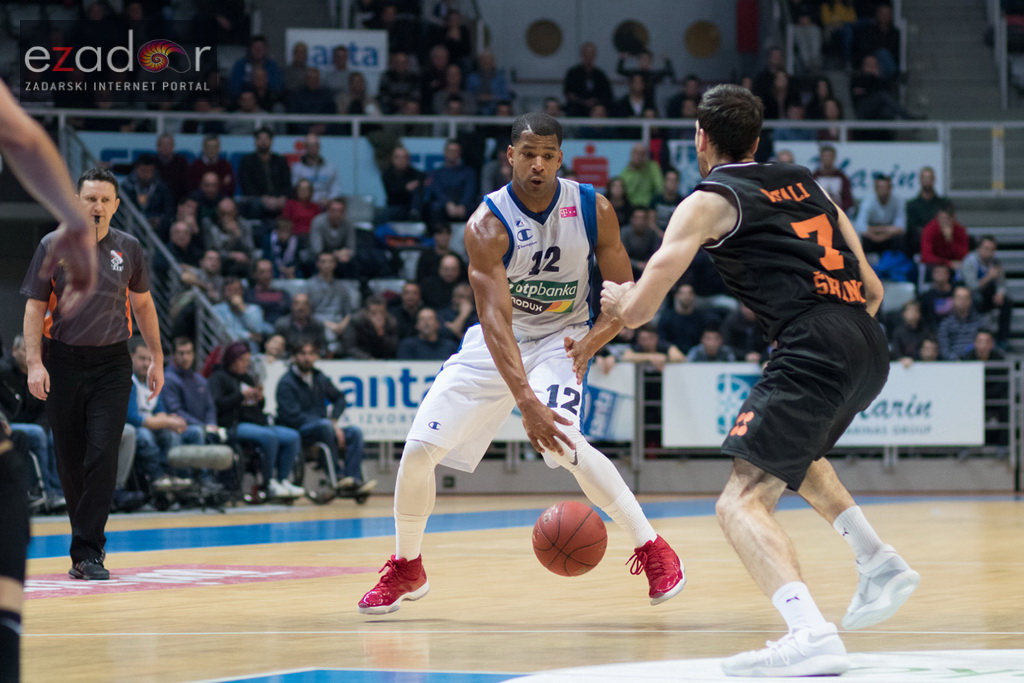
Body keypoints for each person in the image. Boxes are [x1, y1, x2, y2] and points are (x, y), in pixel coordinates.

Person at [600, 85, 919, 677]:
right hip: (867, 340)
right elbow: (874, 291)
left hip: (813, 341)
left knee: (739, 502)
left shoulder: (708, 199)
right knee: (797, 459)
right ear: (757, 138)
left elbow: (641, 312)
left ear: (700, 136)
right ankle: (877, 559)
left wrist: (619, 300)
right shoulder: (807, 182)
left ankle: (809, 633)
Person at [357, 112, 684, 616]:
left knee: (565, 445)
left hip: (563, 337)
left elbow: (625, 297)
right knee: (419, 450)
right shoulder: (487, 225)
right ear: (510, 155)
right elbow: (494, 323)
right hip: (501, 340)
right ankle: (407, 566)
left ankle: (651, 547)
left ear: (560, 158)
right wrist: (524, 399)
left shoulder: (593, 209)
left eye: (547, 155)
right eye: (528, 154)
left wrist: (592, 343)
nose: (537, 164)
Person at [23, 166, 164, 582]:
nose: (97, 206)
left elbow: (143, 306)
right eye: (90, 199)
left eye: (105, 200)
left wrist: (156, 356)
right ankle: (83, 546)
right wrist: (35, 362)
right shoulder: (53, 245)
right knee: (71, 460)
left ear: (116, 206)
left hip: (112, 364)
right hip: (63, 360)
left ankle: (88, 552)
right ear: (76, 202)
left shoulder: (130, 249)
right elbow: (33, 308)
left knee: (103, 452)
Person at [275, 341, 375, 496]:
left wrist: (334, 420)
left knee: (355, 432)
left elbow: (340, 398)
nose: (307, 358)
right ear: (294, 357)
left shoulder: (319, 377)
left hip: (325, 427)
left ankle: (353, 478)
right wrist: (327, 424)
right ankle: (337, 475)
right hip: (300, 430)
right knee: (324, 427)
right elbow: (291, 416)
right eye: (302, 354)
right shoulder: (286, 383)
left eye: (310, 354)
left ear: (315, 357)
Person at [209, 341, 303, 500]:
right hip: (233, 424)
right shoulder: (218, 377)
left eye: (247, 361)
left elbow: (259, 408)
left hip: (257, 422)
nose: (246, 364)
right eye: (242, 360)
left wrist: (260, 399)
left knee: (292, 436)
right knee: (269, 437)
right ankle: (268, 482)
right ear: (232, 359)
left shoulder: (247, 378)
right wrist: (241, 396)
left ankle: (283, 479)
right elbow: (217, 404)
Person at [961, 235, 1013, 346]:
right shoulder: (970, 261)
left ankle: (1002, 339)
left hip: (989, 295)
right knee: (976, 299)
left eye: (992, 250)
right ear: (978, 249)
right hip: (971, 295)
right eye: (986, 249)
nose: (989, 252)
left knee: (1007, 302)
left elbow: (1002, 283)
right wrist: (989, 277)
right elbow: (972, 286)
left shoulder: (996, 263)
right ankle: (975, 338)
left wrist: (1000, 293)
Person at [563, 42, 613, 117]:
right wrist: (583, 101)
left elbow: (607, 93)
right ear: (582, 54)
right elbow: (569, 93)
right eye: (587, 53)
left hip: (597, 106)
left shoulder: (600, 75)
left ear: (595, 55)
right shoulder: (573, 73)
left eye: (591, 54)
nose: (589, 56)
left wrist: (596, 101)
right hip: (578, 106)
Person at [937, 285, 985, 360]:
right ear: (953, 300)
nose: (962, 301)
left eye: (966, 298)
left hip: (975, 362)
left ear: (970, 300)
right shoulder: (945, 324)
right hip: (953, 366)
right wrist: (958, 361)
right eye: (959, 298)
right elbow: (944, 350)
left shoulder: (980, 322)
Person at [919, 202, 969, 270]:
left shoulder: (960, 230)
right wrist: (947, 263)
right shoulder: (930, 229)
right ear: (937, 217)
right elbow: (926, 256)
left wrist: (950, 241)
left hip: (956, 264)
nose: (945, 222)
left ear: (954, 218)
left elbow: (964, 255)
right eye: (942, 218)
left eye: (947, 219)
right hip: (936, 264)